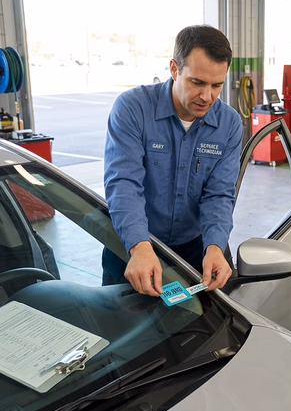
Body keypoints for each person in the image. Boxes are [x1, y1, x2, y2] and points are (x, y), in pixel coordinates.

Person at [103, 25, 243, 296]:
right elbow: (123, 183)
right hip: (131, 246)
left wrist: (215, 246)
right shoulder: (132, 109)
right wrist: (140, 245)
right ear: (174, 69)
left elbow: (219, 194)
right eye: (198, 82)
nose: (207, 96)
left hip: (194, 250)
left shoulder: (229, 124)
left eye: (217, 85)